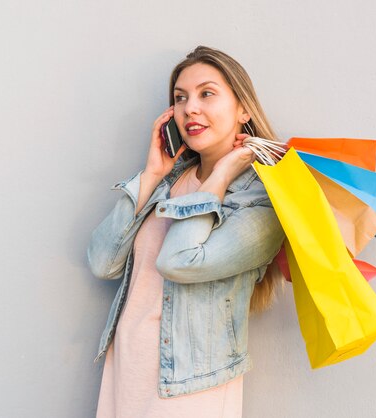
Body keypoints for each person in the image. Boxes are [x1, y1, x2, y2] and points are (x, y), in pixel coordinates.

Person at [87, 46, 285, 418]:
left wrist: (223, 173)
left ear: (243, 109)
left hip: (190, 384)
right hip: (126, 369)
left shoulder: (262, 198)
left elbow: (180, 262)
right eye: (180, 98)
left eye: (206, 93)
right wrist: (152, 174)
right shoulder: (171, 180)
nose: (189, 108)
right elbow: (102, 262)